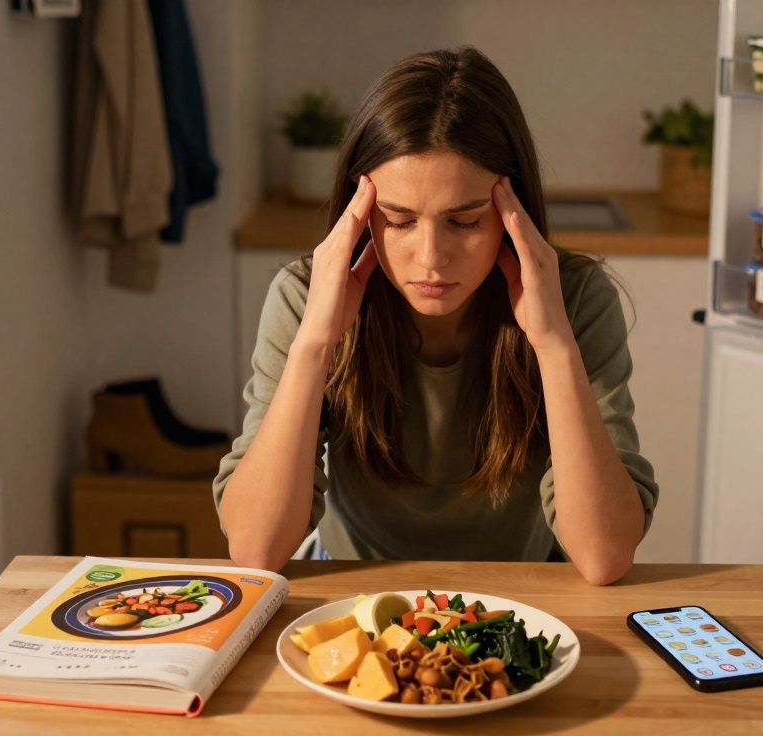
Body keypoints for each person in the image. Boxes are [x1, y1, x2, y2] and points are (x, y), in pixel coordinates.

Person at [213, 46, 657, 585]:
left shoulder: (576, 299)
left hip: (526, 593)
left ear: (513, 212)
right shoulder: (304, 297)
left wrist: (552, 342)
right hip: (351, 589)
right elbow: (256, 548)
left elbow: (605, 555)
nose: (430, 258)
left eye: (465, 222)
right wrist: (315, 343)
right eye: (397, 220)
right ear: (358, 216)